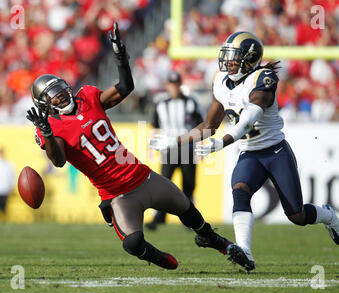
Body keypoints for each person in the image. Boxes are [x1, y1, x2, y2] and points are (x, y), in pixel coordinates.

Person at [26, 23, 251, 271]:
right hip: (116, 194)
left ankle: (215, 240)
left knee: (189, 211)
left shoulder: (87, 96)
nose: (60, 95)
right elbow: (58, 160)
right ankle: (155, 255)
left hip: (142, 177)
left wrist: (121, 58)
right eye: (52, 95)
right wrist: (46, 133)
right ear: (44, 104)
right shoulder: (51, 128)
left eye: (59, 89)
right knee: (132, 244)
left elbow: (124, 88)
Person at [150, 31, 339, 271]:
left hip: (275, 151)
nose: (227, 62)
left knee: (297, 215)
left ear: (249, 59)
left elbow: (249, 118)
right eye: (227, 57)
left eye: (234, 57)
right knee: (240, 191)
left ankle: (329, 216)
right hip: (250, 153)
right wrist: (174, 141)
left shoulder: (263, 78)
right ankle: (245, 253)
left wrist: (223, 142)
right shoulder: (219, 80)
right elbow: (209, 126)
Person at [146, 71, 204, 230]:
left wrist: (199, 150)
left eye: (176, 84)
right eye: (171, 85)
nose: (174, 88)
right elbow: (155, 127)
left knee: (188, 185)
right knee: (164, 183)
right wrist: (151, 147)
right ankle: (159, 217)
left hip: (187, 147)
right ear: (167, 86)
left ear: (180, 85)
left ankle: (190, 220)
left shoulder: (191, 102)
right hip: (168, 148)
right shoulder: (161, 104)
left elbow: (200, 127)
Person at [0, 148, 15, 215]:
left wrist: (11, 187)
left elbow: (11, 176)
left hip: (5, 189)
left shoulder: (8, 164)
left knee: (3, 207)